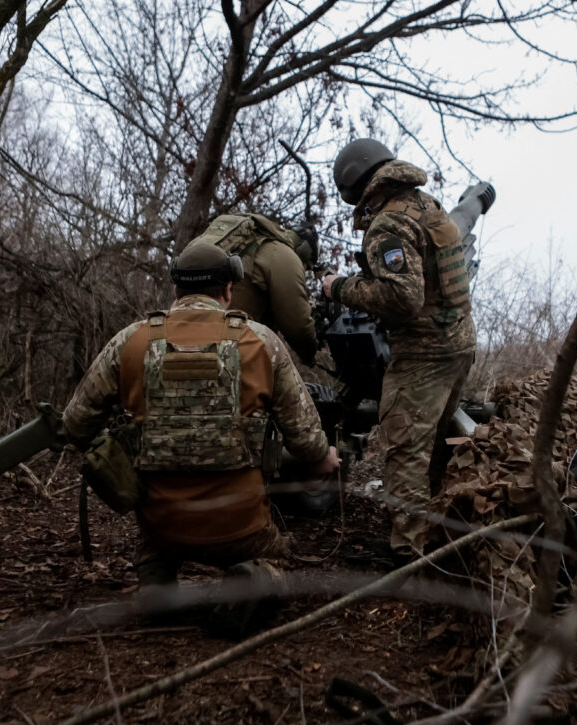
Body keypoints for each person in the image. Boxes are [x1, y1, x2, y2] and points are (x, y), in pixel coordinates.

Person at [63, 239, 340, 590]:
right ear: (228, 290)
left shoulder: (130, 341)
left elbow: (75, 425)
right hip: (241, 526)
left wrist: (117, 452)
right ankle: (254, 578)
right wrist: (324, 456)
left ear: (176, 288)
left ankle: (156, 580)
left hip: (160, 524)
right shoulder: (262, 342)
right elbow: (307, 441)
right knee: (278, 559)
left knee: (155, 546)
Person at [322, 138, 477, 555]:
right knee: (438, 442)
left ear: (354, 186)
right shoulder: (426, 206)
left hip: (422, 353)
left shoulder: (388, 224)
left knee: (405, 449)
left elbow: (403, 298)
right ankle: (446, 532)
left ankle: (410, 553)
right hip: (458, 342)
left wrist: (340, 287)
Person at [186, 213, 320, 366]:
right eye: (307, 267)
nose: (305, 271)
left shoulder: (246, 241)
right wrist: (310, 354)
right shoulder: (284, 255)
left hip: (183, 334)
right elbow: (298, 325)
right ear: (303, 252)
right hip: (231, 347)